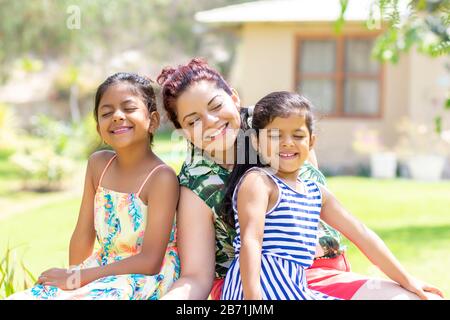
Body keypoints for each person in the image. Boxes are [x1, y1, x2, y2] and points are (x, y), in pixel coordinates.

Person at [157, 57, 443, 300]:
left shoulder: (282, 127)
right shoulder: (197, 180)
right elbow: (198, 274)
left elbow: (354, 228)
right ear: (183, 129)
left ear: (233, 97)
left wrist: (407, 279)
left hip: (321, 274)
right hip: (251, 286)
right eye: (193, 120)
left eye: (216, 105)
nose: (210, 121)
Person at [220, 91, 443, 300]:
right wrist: (253, 300)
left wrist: (407, 280)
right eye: (276, 136)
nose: (288, 142)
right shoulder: (259, 181)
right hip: (255, 288)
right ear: (257, 142)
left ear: (311, 142)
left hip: (293, 287)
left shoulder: (315, 192)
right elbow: (250, 241)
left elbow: (362, 235)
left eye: (298, 135)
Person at [7, 72, 180, 300]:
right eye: (106, 113)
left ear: (153, 121)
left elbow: (150, 261)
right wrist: (70, 280)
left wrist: (79, 279)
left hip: (144, 277)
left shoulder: (162, 178)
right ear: (99, 128)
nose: (117, 116)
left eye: (129, 109)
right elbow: (83, 233)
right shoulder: (98, 164)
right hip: (101, 270)